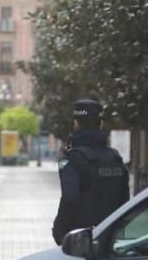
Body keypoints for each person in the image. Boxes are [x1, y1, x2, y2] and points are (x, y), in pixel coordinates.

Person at [52, 98, 130, 245]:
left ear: (76, 124)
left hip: (80, 243)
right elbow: (124, 201)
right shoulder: (116, 158)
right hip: (111, 242)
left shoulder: (69, 159)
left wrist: (59, 232)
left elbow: (70, 200)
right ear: (101, 124)